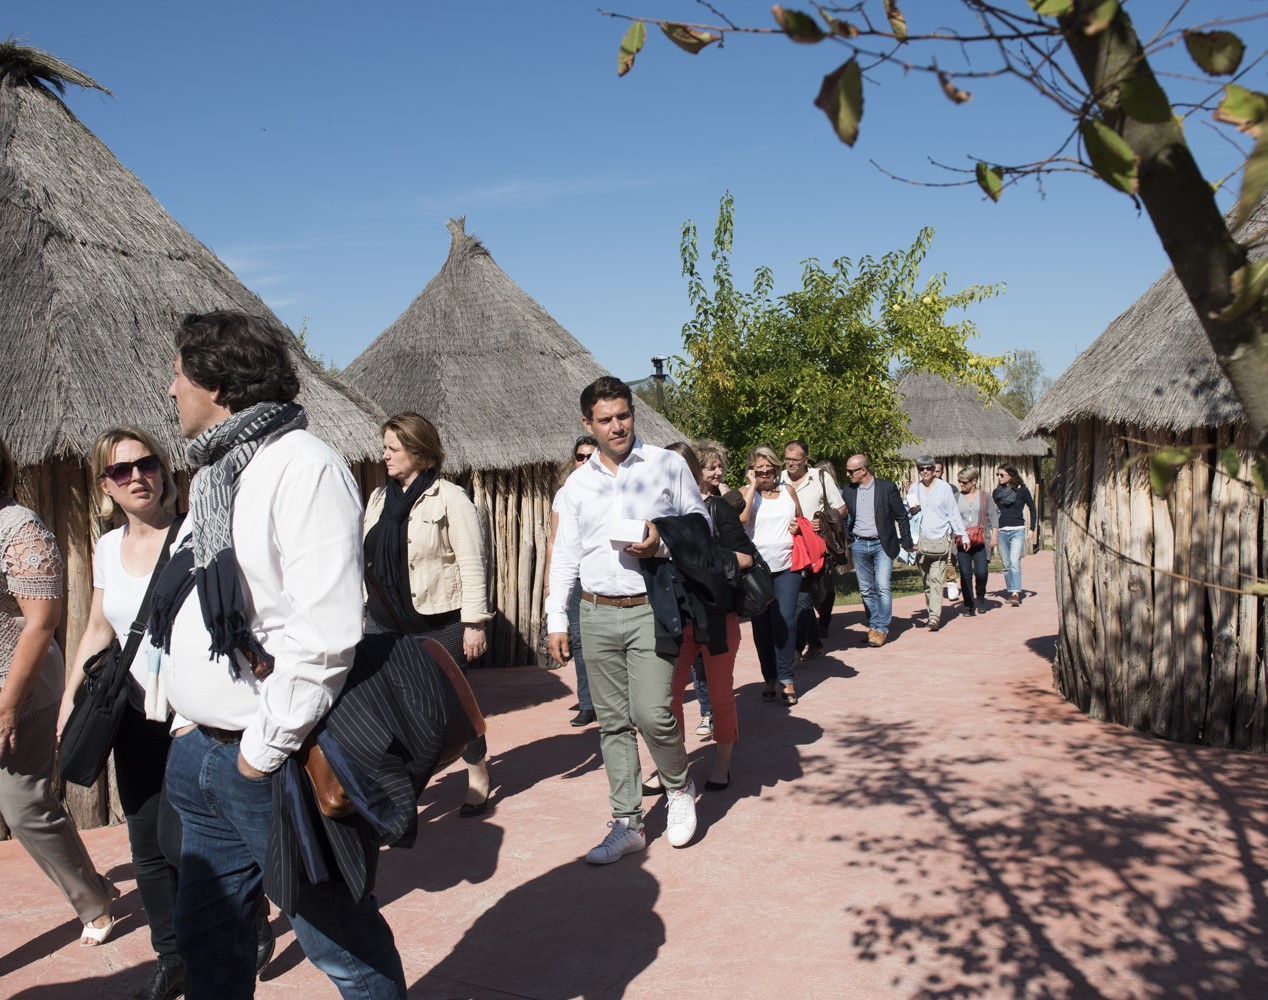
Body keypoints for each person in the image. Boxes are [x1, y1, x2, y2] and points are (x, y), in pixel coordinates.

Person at [151, 311, 405, 999]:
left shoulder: (303, 467)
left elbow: (325, 632)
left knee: (340, 943)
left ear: (219, 381)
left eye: (178, 374)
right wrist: (185, 721)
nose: (169, 390)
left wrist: (259, 751)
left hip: (268, 760)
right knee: (210, 948)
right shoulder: (214, 477)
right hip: (201, 754)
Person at [547, 377, 704, 864]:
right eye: (606, 419)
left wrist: (660, 541)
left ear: (633, 413)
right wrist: (556, 617)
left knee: (653, 713)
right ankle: (627, 822)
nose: (617, 426)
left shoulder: (667, 465)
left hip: (650, 608)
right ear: (587, 424)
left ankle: (678, 789)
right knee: (612, 724)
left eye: (624, 415)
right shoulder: (577, 484)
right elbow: (565, 555)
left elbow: (699, 526)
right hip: (594, 613)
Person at [58, 428, 187, 999]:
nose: (137, 476)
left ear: (163, 469)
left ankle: (247, 920)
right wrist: (68, 707)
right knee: (146, 842)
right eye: (121, 471)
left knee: (195, 836)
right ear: (106, 487)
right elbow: (97, 629)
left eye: (147, 463)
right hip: (132, 712)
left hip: (194, 714)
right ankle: (172, 956)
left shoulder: (193, 537)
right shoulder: (108, 548)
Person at [0, 435, 119, 950]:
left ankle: (92, 899)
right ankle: (94, 887)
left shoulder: (17, 527)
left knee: (24, 804)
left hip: (17, 688)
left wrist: (7, 706)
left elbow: (41, 622)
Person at [363, 412, 495, 814]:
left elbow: (473, 563)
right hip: (384, 622)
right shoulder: (378, 498)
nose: (384, 455)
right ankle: (403, 782)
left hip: (440, 622)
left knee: (452, 702)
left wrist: (474, 623)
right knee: (390, 706)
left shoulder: (451, 498)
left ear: (419, 453)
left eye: (393, 448)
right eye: (384, 447)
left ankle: (477, 772)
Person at [667, 442, 754, 790]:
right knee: (666, 698)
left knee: (719, 695)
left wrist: (704, 556)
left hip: (717, 617)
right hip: (675, 618)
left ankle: (722, 765)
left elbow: (747, 558)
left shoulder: (719, 509)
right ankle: (671, 767)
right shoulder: (663, 511)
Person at [739, 446, 804, 705]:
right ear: (752, 470)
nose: (766, 471)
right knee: (762, 627)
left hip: (788, 566)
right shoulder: (747, 494)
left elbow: (800, 518)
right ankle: (769, 677)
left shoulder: (788, 491)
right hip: (757, 572)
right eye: (759, 468)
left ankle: (786, 678)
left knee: (786, 620)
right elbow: (741, 521)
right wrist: (752, 486)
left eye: (770, 467)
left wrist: (799, 525)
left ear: (777, 467)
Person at [544, 436, 600, 727]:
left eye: (591, 456)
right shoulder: (564, 494)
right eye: (580, 456)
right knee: (578, 641)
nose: (585, 461)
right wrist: (548, 581)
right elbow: (554, 540)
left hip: (602, 577)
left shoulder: (610, 488)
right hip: (575, 578)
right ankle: (588, 703)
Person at [840, 454, 914, 648]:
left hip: (882, 544)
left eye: (851, 471)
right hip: (858, 544)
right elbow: (842, 517)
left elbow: (901, 516)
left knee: (882, 586)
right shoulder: (848, 490)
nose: (847, 474)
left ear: (863, 470)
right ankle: (873, 625)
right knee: (866, 589)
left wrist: (906, 541)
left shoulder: (886, 488)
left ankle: (881, 628)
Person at [781, 439, 845, 658]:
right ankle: (812, 642)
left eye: (795, 460)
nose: (790, 464)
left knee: (807, 597)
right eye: (787, 459)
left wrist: (824, 521)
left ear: (805, 460)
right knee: (801, 598)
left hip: (813, 547)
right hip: (787, 548)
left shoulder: (820, 477)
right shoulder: (778, 479)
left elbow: (842, 508)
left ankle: (799, 646)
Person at [906, 456, 969, 633]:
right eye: (921, 468)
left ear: (934, 470)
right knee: (926, 580)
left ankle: (934, 617)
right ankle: (931, 610)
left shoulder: (944, 488)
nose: (925, 471)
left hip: (940, 539)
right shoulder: (914, 489)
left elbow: (953, 513)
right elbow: (908, 513)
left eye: (928, 468)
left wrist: (962, 535)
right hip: (921, 541)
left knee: (935, 579)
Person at [953, 468, 998, 616]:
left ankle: (980, 596)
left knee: (981, 572)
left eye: (964, 482)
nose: (961, 484)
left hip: (980, 540)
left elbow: (993, 516)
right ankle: (968, 604)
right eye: (959, 481)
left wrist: (994, 535)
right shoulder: (956, 497)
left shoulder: (985, 496)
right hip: (962, 541)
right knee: (965, 573)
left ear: (974, 481)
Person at [993, 464, 1038, 607]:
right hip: (1001, 531)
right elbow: (993, 512)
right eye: (997, 475)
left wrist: (1032, 528)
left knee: (1014, 562)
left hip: (1017, 530)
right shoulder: (996, 493)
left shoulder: (1022, 491)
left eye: (1002, 475)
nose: (999, 477)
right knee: (1006, 565)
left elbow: (1032, 508)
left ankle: (1015, 593)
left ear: (1011, 476)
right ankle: (1010, 590)